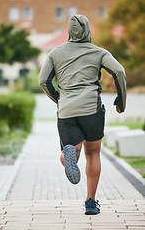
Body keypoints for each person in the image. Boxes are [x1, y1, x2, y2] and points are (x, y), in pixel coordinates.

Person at [39, 14, 126, 215]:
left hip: (67, 110)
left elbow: (43, 81)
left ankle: (66, 157)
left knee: (73, 151)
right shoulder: (99, 52)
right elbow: (119, 72)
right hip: (91, 109)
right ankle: (90, 202)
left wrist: (58, 99)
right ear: (87, 30)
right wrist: (121, 100)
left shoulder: (55, 53)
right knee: (93, 153)